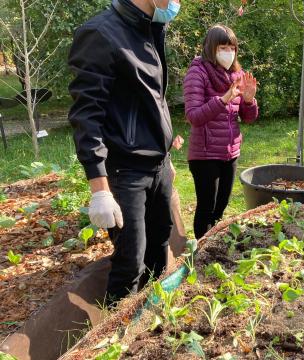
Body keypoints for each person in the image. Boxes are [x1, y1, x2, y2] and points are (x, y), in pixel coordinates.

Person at [68, 0, 181, 303]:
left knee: (160, 245)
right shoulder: (101, 34)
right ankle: (117, 336)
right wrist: (100, 189)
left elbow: (152, 99)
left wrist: (164, 149)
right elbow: (86, 118)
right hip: (126, 172)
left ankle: (152, 317)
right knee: (131, 261)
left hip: (157, 165)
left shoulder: (150, 29)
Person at [183, 25, 258, 240]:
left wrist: (249, 100)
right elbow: (194, 116)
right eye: (223, 47)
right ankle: (202, 250)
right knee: (207, 206)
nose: (228, 52)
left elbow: (249, 117)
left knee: (221, 204)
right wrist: (224, 99)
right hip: (205, 154)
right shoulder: (197, 73)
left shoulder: (238, 74)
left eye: (232, 47)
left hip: (230, 152)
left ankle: (212, 242)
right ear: (211, 48)